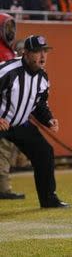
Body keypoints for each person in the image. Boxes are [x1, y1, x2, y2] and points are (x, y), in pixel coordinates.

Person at [0, 34, 70, 208]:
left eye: (45, 51)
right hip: (2, 123)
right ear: (26, 53)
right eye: (37, 52)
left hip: (20, 124)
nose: (43, 56)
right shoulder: (7, 71)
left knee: (44, 152)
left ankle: (48, 199)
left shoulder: (43, 78)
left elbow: (39, 105)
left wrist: (49, 120)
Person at [0, 13, 25, 199]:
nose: (11, 32)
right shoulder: (4, 52)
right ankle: (3, 189)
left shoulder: (8, 51)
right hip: (4, 113)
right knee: (3, 152)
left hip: (10, 112)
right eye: (7, 27)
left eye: (11, 27)